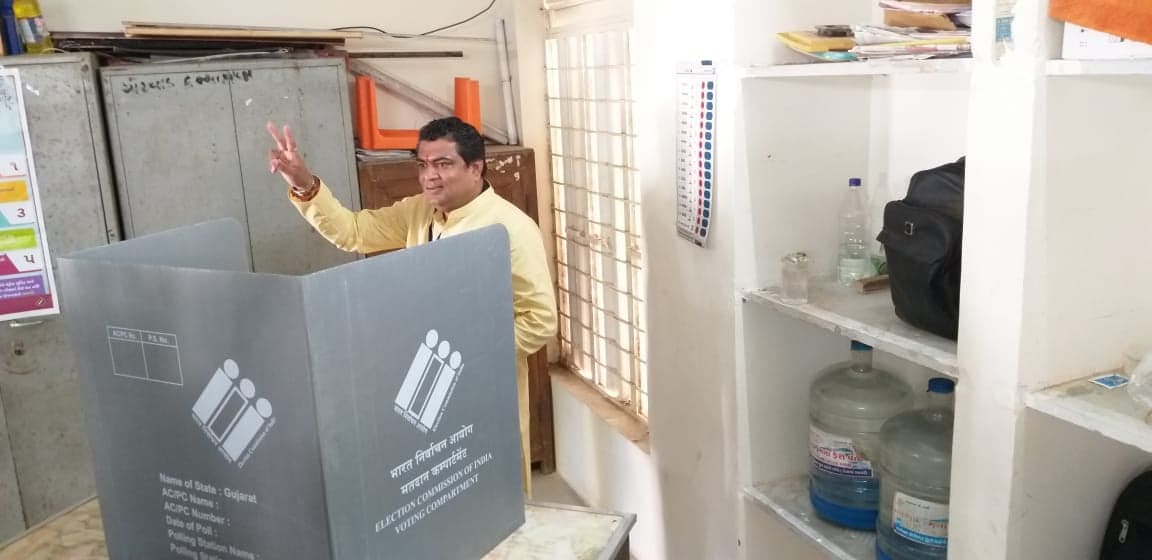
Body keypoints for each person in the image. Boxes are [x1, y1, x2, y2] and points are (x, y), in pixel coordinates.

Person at [266, 116, 557, 495]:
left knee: (489, 489)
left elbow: (540, 319)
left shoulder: (510, 229)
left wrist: (475, 357)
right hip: (425, 377)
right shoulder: (420, 211)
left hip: (481, 386)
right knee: (435, 485)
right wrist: (305, 185)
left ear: (475, 167)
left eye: (443, 164)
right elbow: (355, 232)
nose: (429, 177)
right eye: (422, 165)